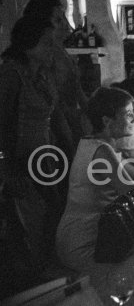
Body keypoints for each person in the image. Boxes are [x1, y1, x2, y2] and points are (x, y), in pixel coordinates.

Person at [0, 17, 64, 269]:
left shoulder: (42, 74)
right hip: (20, 160)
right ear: (27, 45)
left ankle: (45, 272)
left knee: (51, 215)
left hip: (44, 158)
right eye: (47, 43)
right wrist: (6, 169)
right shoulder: (10, 74)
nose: (53, 48)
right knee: (33, 222)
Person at [56, 87, 134, 271]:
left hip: (91, 236)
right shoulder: (101, 151)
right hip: (85, 243)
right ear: (107, 121)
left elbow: (132, 174)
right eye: (128, 114)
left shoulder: (92, 142)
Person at [23, 0, 89, 149]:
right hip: (55, 135)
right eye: (58, 20)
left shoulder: (61, 52)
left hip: (73, 125)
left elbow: (77, 92)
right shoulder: (43, 57)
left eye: (63, 18)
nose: (66, 25)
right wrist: (68, 139)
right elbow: (55, 104)